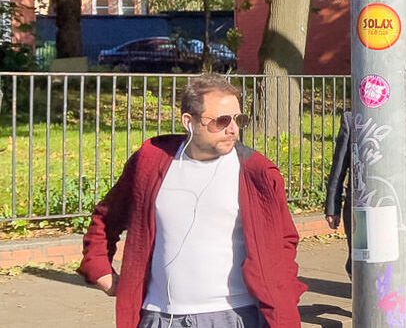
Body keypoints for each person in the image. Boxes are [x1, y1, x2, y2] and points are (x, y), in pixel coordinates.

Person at [79, 73, 305, 328]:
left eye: (238, 119)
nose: (233, 129)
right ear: (189, 121)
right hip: (159, 316)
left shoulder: (257, 172)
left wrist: (283, 296)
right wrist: (99, 268)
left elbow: (284, 242)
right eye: (221, 121)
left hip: (235, 314)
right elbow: (106, 216)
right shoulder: (151, 162)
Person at [323, 108, 355, 275]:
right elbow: (339, 167)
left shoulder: (404, 118)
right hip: (358, 208)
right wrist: (332, 207)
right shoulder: (352, 119)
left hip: (396, 206)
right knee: (358, 258)